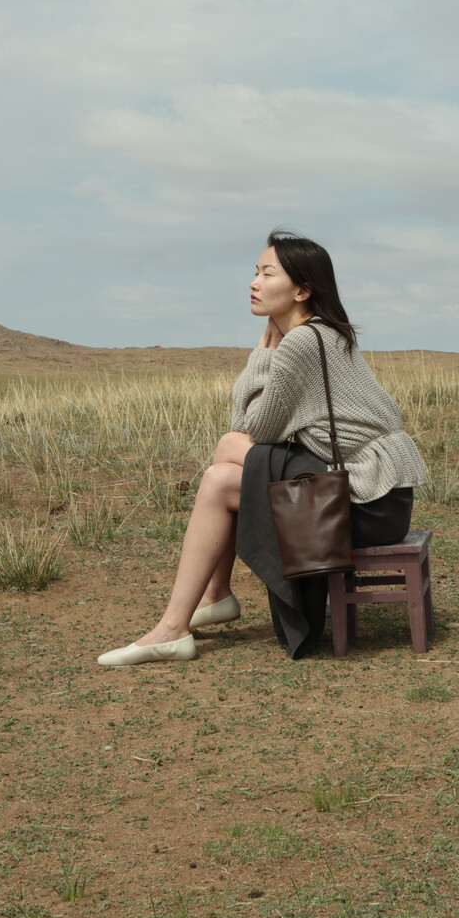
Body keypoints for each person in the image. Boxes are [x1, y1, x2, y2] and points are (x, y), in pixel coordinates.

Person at [96, 230, 426, 666]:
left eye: (268, 274)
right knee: (223, 469)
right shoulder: (325, 333)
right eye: (255, 272)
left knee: (222, 467)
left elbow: (253, 426)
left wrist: (261, 358)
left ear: (302, 290)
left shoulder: (302, 342)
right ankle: (208, 599)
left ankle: (185, 619)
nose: (254, 283)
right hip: (384, 495)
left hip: (363, 500)